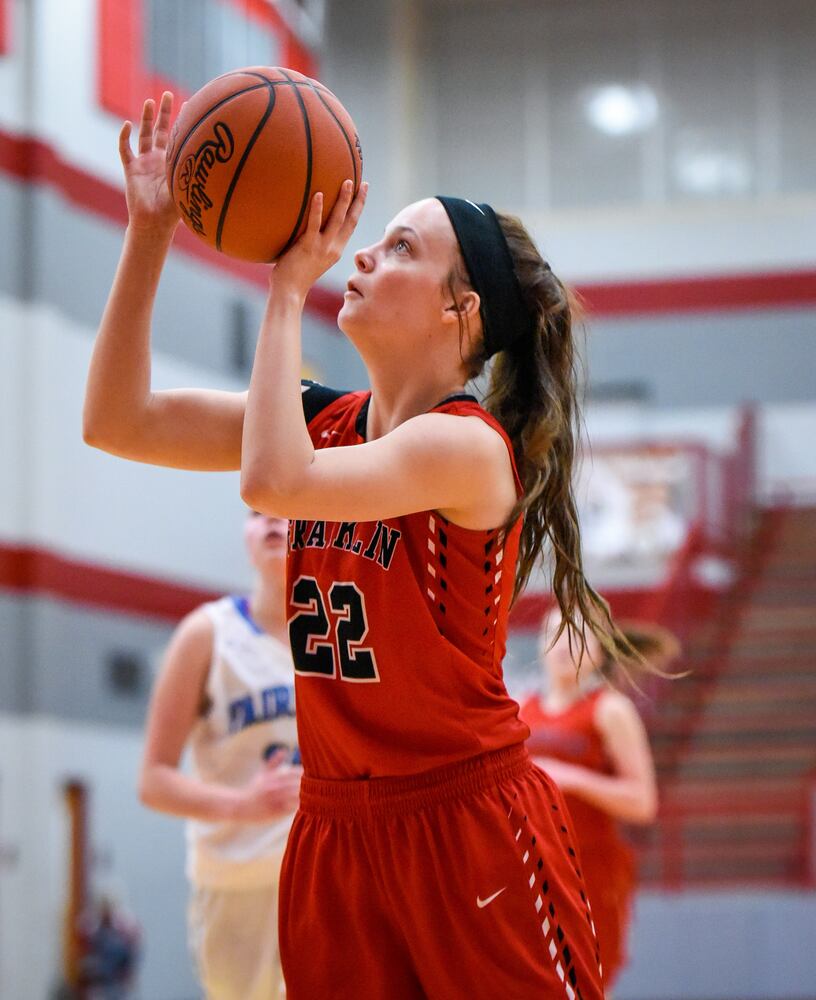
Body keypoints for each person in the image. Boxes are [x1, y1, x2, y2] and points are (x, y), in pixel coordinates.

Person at [84, 91, 638, 998]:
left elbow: (274, 482)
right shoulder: (321, 422)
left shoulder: (466, 447)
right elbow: (117, 418)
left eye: (403, 247)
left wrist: (286, 286)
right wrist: (150, 231)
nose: (367, 253)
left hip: (467, 827)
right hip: (335, 831)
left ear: (461, 311)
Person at [138, 511, 300, 999]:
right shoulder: (207, 634)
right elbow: (154, 779)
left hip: (322, 877)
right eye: (256, 512)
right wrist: (243, 805)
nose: (271, 521)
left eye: (286, 511)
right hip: (234, 879)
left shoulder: (343, 632)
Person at [521, 612, 679, 992]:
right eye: (554, 634)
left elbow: (643, 802)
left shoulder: (609, 710)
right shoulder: (519, 708)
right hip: (530, 872)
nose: (563, 645)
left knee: (585, 985)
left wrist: (574, 779)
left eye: (577, 637)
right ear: (540, 644)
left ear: (599, 652)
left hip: (591, 874)